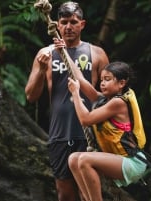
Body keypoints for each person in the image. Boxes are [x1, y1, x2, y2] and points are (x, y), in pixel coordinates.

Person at [25, 1, 109, 201]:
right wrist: (41, 71)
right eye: (64, 22)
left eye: (73, 22)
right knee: (65, 194)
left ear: (82, 24)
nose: (68, 27)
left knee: (88, 192)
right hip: (59, 132)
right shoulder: (46, 54)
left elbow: (108, 95)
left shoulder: (96, 54)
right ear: (57, 24)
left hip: (89, 133)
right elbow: (31, 95)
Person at [66, 60, 147, 201]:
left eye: (107, 79)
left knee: (84, 159)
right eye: (102, 79)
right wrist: (63, 51)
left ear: (122, 83)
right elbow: (79, 78)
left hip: (132, 161)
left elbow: (86, 119)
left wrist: (76, 94)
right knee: (73, 159)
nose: (102, 83)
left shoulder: (118, 103)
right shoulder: (104, 99)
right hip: (119, 159)